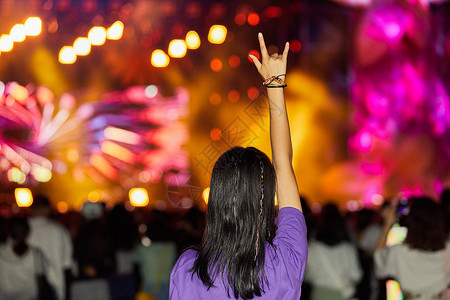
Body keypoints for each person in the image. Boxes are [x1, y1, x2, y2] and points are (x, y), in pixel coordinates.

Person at [170, 33, 307, 299]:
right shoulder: (284, 262)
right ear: (263, 200)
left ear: (217, 199)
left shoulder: (188, 269)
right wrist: (274, 84)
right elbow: (283, 165)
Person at [374, 196, 450, 299]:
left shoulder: (399, 252)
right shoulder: (447, 250)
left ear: (411, 222)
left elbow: (378, 261)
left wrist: (388, 223)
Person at [305, 203, 362, 300]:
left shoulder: (312, 248)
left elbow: (307, 276)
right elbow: (356, 275)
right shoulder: (348, 249)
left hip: (320, 294)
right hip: (343, 294)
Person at [27, 195, 73, 300]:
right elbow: (67, 264)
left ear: (31, 209)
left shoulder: (23, 230)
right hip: (54, 283)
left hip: (25, 287)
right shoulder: (59, 230)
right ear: (48, 209)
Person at [0, 216, 53, 300]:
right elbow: (42, 279)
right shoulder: (36, 254)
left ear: (7, 231)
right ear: (27, 232)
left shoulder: (1, 252)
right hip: (30, 296)